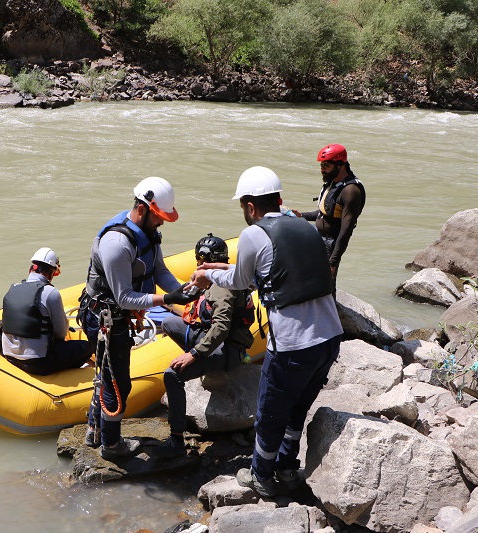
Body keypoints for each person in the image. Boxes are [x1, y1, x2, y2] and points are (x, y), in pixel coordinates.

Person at [190, 166, 343, 497]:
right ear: (278, 199)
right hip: (329, 337)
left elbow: (240, 281)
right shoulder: (306, 228)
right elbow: (277, 271)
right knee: (298, 408)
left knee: (270, 412)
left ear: (249, 206)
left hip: (292, 345)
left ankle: (260, 475)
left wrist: (208, 275)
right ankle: (287, 469)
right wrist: (222, 267)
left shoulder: (253, 234)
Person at [80, 176, 199, 460]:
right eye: (159, 217)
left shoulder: (148, 233)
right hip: (104, 318)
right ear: (143, 209)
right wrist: (167, 300)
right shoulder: (117, 244)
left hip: (117, 315)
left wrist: (182, 292)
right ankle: (111, 445)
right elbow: (124, 298)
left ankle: (95, 430)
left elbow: (159, 271)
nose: (161, 223)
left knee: (108, 375)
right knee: (118, 384)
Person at [156, 233, 256, 458]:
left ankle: (176, 439)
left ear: (205, 260)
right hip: (212, 338)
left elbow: (221, 327)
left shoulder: (222, 286)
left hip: (227, 348)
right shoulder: (219, 277)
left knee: (172, 375)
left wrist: (193, 354)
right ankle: (200, 365)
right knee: (169, 322)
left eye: (200, 260)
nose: (198, 264)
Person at [0, 248, 93, 375]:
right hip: (38, 363)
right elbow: (60, 334)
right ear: (51, 273)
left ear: (30, 269)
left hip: (10, 356)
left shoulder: (13, 289)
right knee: (86, 347)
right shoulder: (50, 292)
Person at [295, 143, 366, 286]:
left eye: (326, 166)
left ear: (340, 165)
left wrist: (333, 261)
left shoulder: (351, 191)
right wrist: (301, 216)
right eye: (321, 165)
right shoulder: (333, 183)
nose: (322, 169)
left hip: (330, 244)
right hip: (318, 235)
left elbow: (346, 230)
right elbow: (326, 214)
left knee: (325, 285)